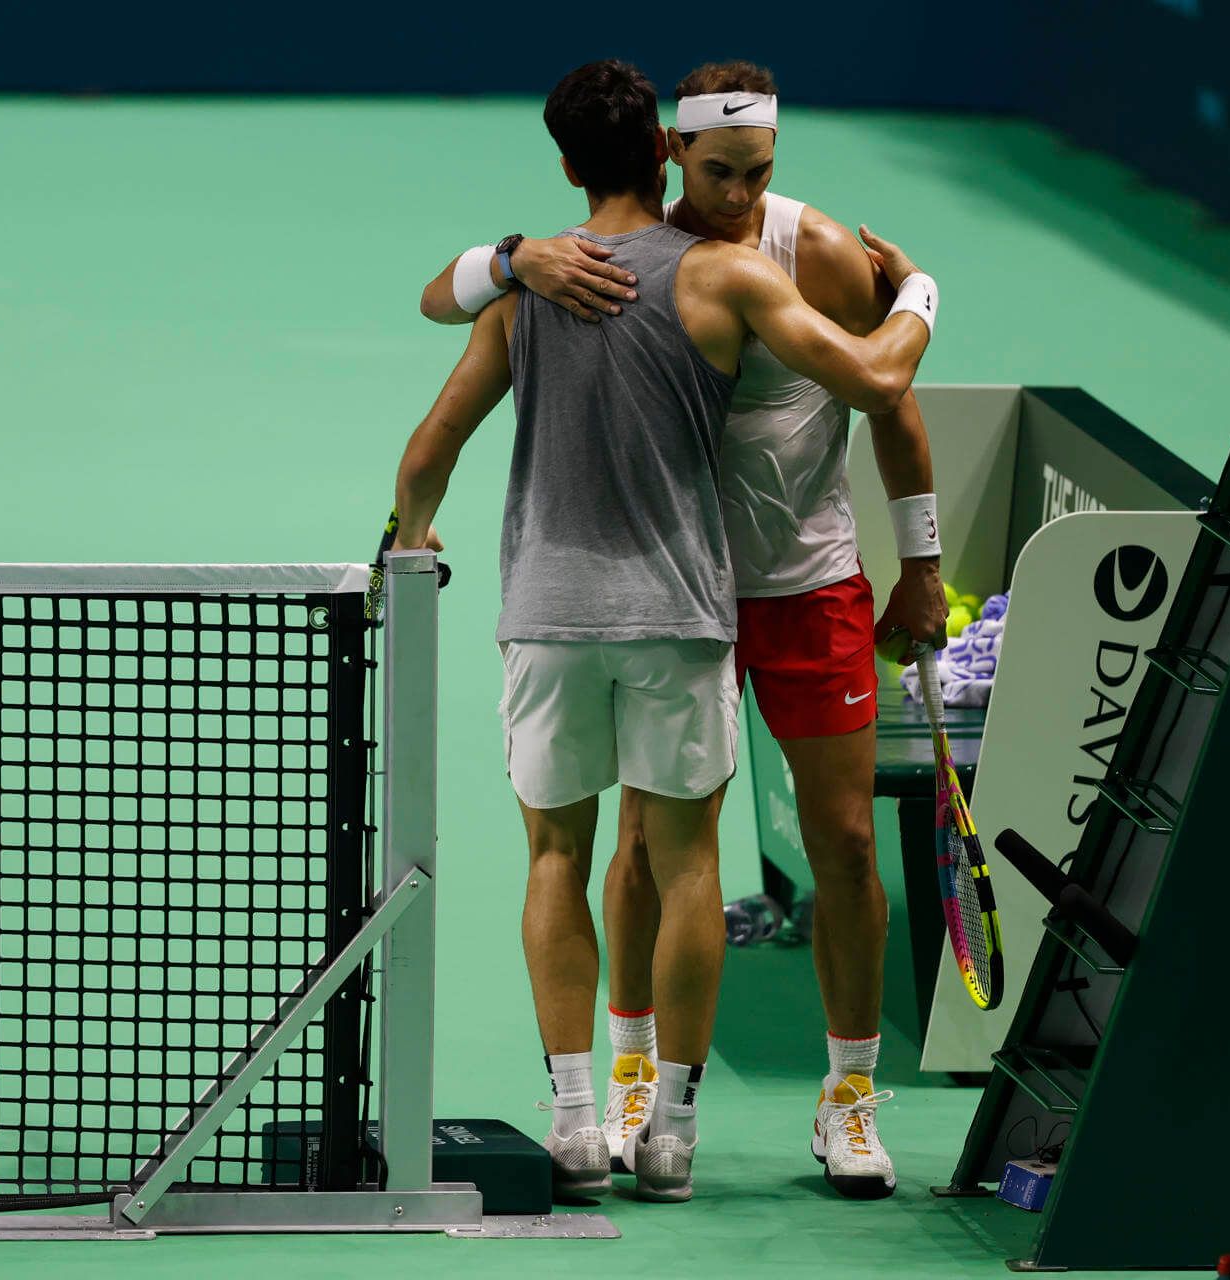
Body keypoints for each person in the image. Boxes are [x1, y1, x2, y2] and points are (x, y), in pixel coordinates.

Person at [393, 58, 939, 1204]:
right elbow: (441, 299)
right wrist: (512, 257)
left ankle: (840, 1103)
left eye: (760, 172)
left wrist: (922, 562)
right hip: (681, 602)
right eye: (720, 169)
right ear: (671, 156)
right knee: (649, 855)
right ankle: (637, 1098)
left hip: (786, 585)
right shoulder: (614, 272)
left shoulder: (802, 256)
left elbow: (889, 399)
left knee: (838, 844)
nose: (741, 192)